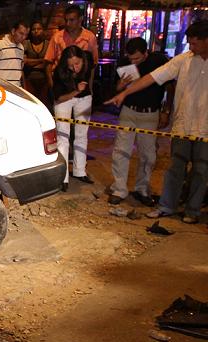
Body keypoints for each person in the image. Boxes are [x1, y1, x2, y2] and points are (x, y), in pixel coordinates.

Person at [106, 20, 208, 224]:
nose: (191, 47)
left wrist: (165, 110)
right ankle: (166, 206)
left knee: (201, 170)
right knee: (175, 167)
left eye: (195, 43)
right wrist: (125, 92)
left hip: (205, 128)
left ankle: (192, 210)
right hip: (182, 125)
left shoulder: (158, 58)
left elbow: (165, 87)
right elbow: (152, 78)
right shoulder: (183, 60)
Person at [108, 37, 172, 206]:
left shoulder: (158, 61)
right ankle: (119, 189)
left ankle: (142, 189)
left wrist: (166, 110)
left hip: (150, 113)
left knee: (148, 154)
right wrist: (121, 84)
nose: (133, 61)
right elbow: (117, 89)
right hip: (129, 111)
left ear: (146, 53)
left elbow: (169, 86)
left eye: (137, 58)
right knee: (121, 151)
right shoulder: (124, 62)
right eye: (131, 58)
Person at [53, 45, 95, 191]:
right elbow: (58, 97)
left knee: (82, 135)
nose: (75, 68)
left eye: (77, 64)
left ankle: (80, 171)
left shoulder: (88, 61)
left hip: (84, 97)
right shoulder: (59, 72)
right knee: (63, 136)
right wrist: (76, 91)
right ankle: (62, 177)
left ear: (83, 59)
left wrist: (86, 92)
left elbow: (90, 78)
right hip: (65, 98)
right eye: (71, 65)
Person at [44, 5, 99, 88]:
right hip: (60, 82)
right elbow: (48, 62)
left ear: (80, 19)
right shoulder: (57, 37)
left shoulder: (89, 37)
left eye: (71, 20)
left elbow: (93, 65)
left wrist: (90, 87)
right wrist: (51, 84)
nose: (68, 23)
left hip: (82, 82)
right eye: (66, 20)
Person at [0, 21, 28, 87]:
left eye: (26, 35)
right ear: (13, 31)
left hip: (17, 87)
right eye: (21, 33)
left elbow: (19, 70)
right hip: (2, 87)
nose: (23, 37)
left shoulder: (21, 48)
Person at [23, 21, 50, 107]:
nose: (36, 31)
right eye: (33, 29)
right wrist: (41, 60)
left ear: (43, 30)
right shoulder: (26, 43)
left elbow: (48, 62)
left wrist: (32, 62)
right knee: (32, 104)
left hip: (44, 78)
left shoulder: (48, 44)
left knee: (44, 104)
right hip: (29, 78)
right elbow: (25, 62)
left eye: (39, 29)